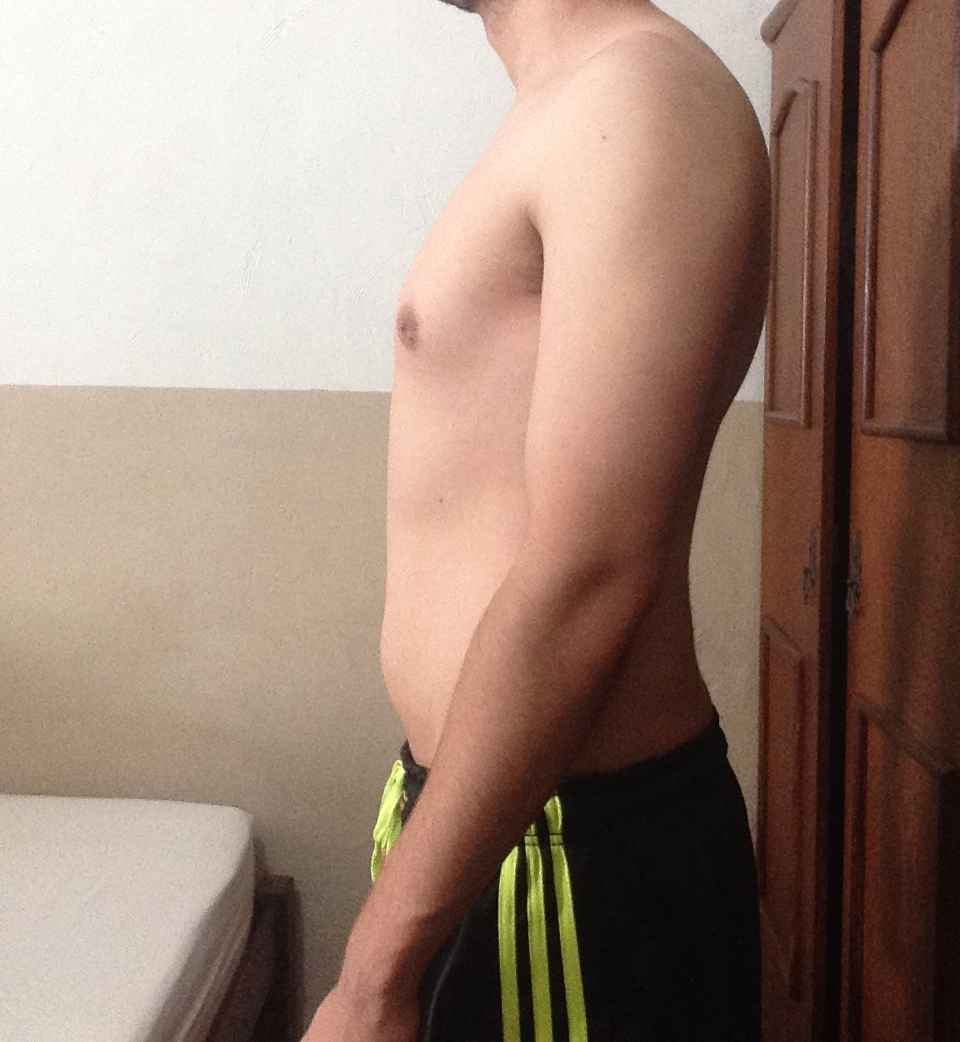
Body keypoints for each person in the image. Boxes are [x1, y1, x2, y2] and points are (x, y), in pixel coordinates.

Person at [304, 1, 770, 1039]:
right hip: (495, 831)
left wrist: (372, 976)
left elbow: (590, 567)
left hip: (573, 853)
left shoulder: (639, 98)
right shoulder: (564, 107)